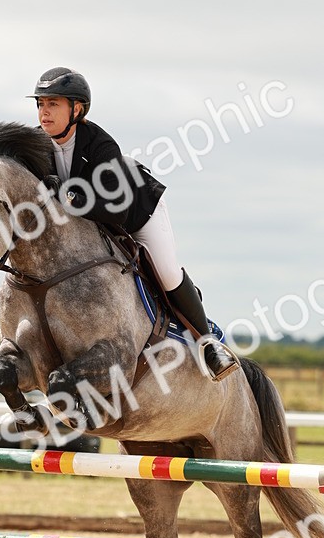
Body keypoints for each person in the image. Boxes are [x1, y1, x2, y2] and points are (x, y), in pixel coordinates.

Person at [28, 66, 240, 381]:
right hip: (89, 223)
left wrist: (69, 198)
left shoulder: (101, 146)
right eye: (41, 104)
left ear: (77, 109)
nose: (44, 112)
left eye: (53, 104)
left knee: (166, 272)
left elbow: (115, 214)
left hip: (138, 211)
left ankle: (209, 343)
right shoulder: (37, 144)